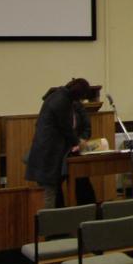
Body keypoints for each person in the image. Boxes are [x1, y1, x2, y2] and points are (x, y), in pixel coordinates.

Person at [25, 78, 92, 209]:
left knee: (51, 192)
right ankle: (49, 226)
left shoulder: (58, 96)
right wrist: (77, 142)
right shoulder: (62, 101)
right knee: (49, 194)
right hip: (48, 154)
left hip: (48, 152)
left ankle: (53, 224)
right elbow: (66, 127)